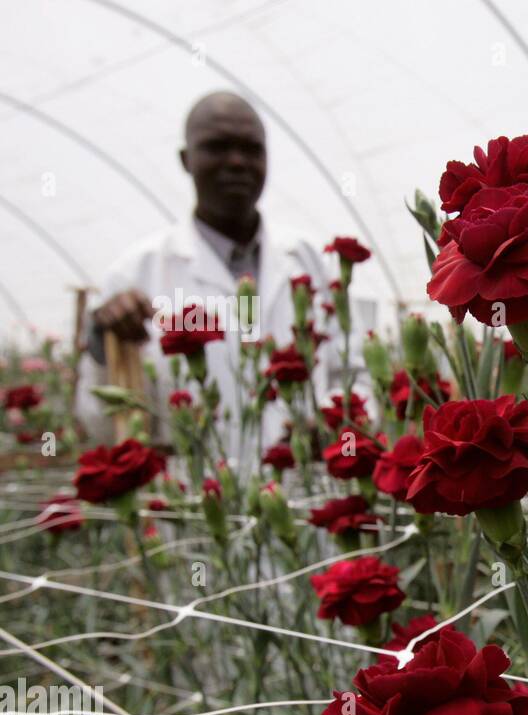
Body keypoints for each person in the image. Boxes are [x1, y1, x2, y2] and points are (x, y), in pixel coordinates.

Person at [74, 91, 359, 469]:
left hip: (304, 501)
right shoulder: (134, 274)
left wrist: (328, 424)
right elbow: (102, 427)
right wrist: (101, 346)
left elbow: (355, 376)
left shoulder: (311, 260)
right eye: (217, 147)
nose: (237, 161)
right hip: (195, 510)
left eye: (251, 149)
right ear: (185, 159)